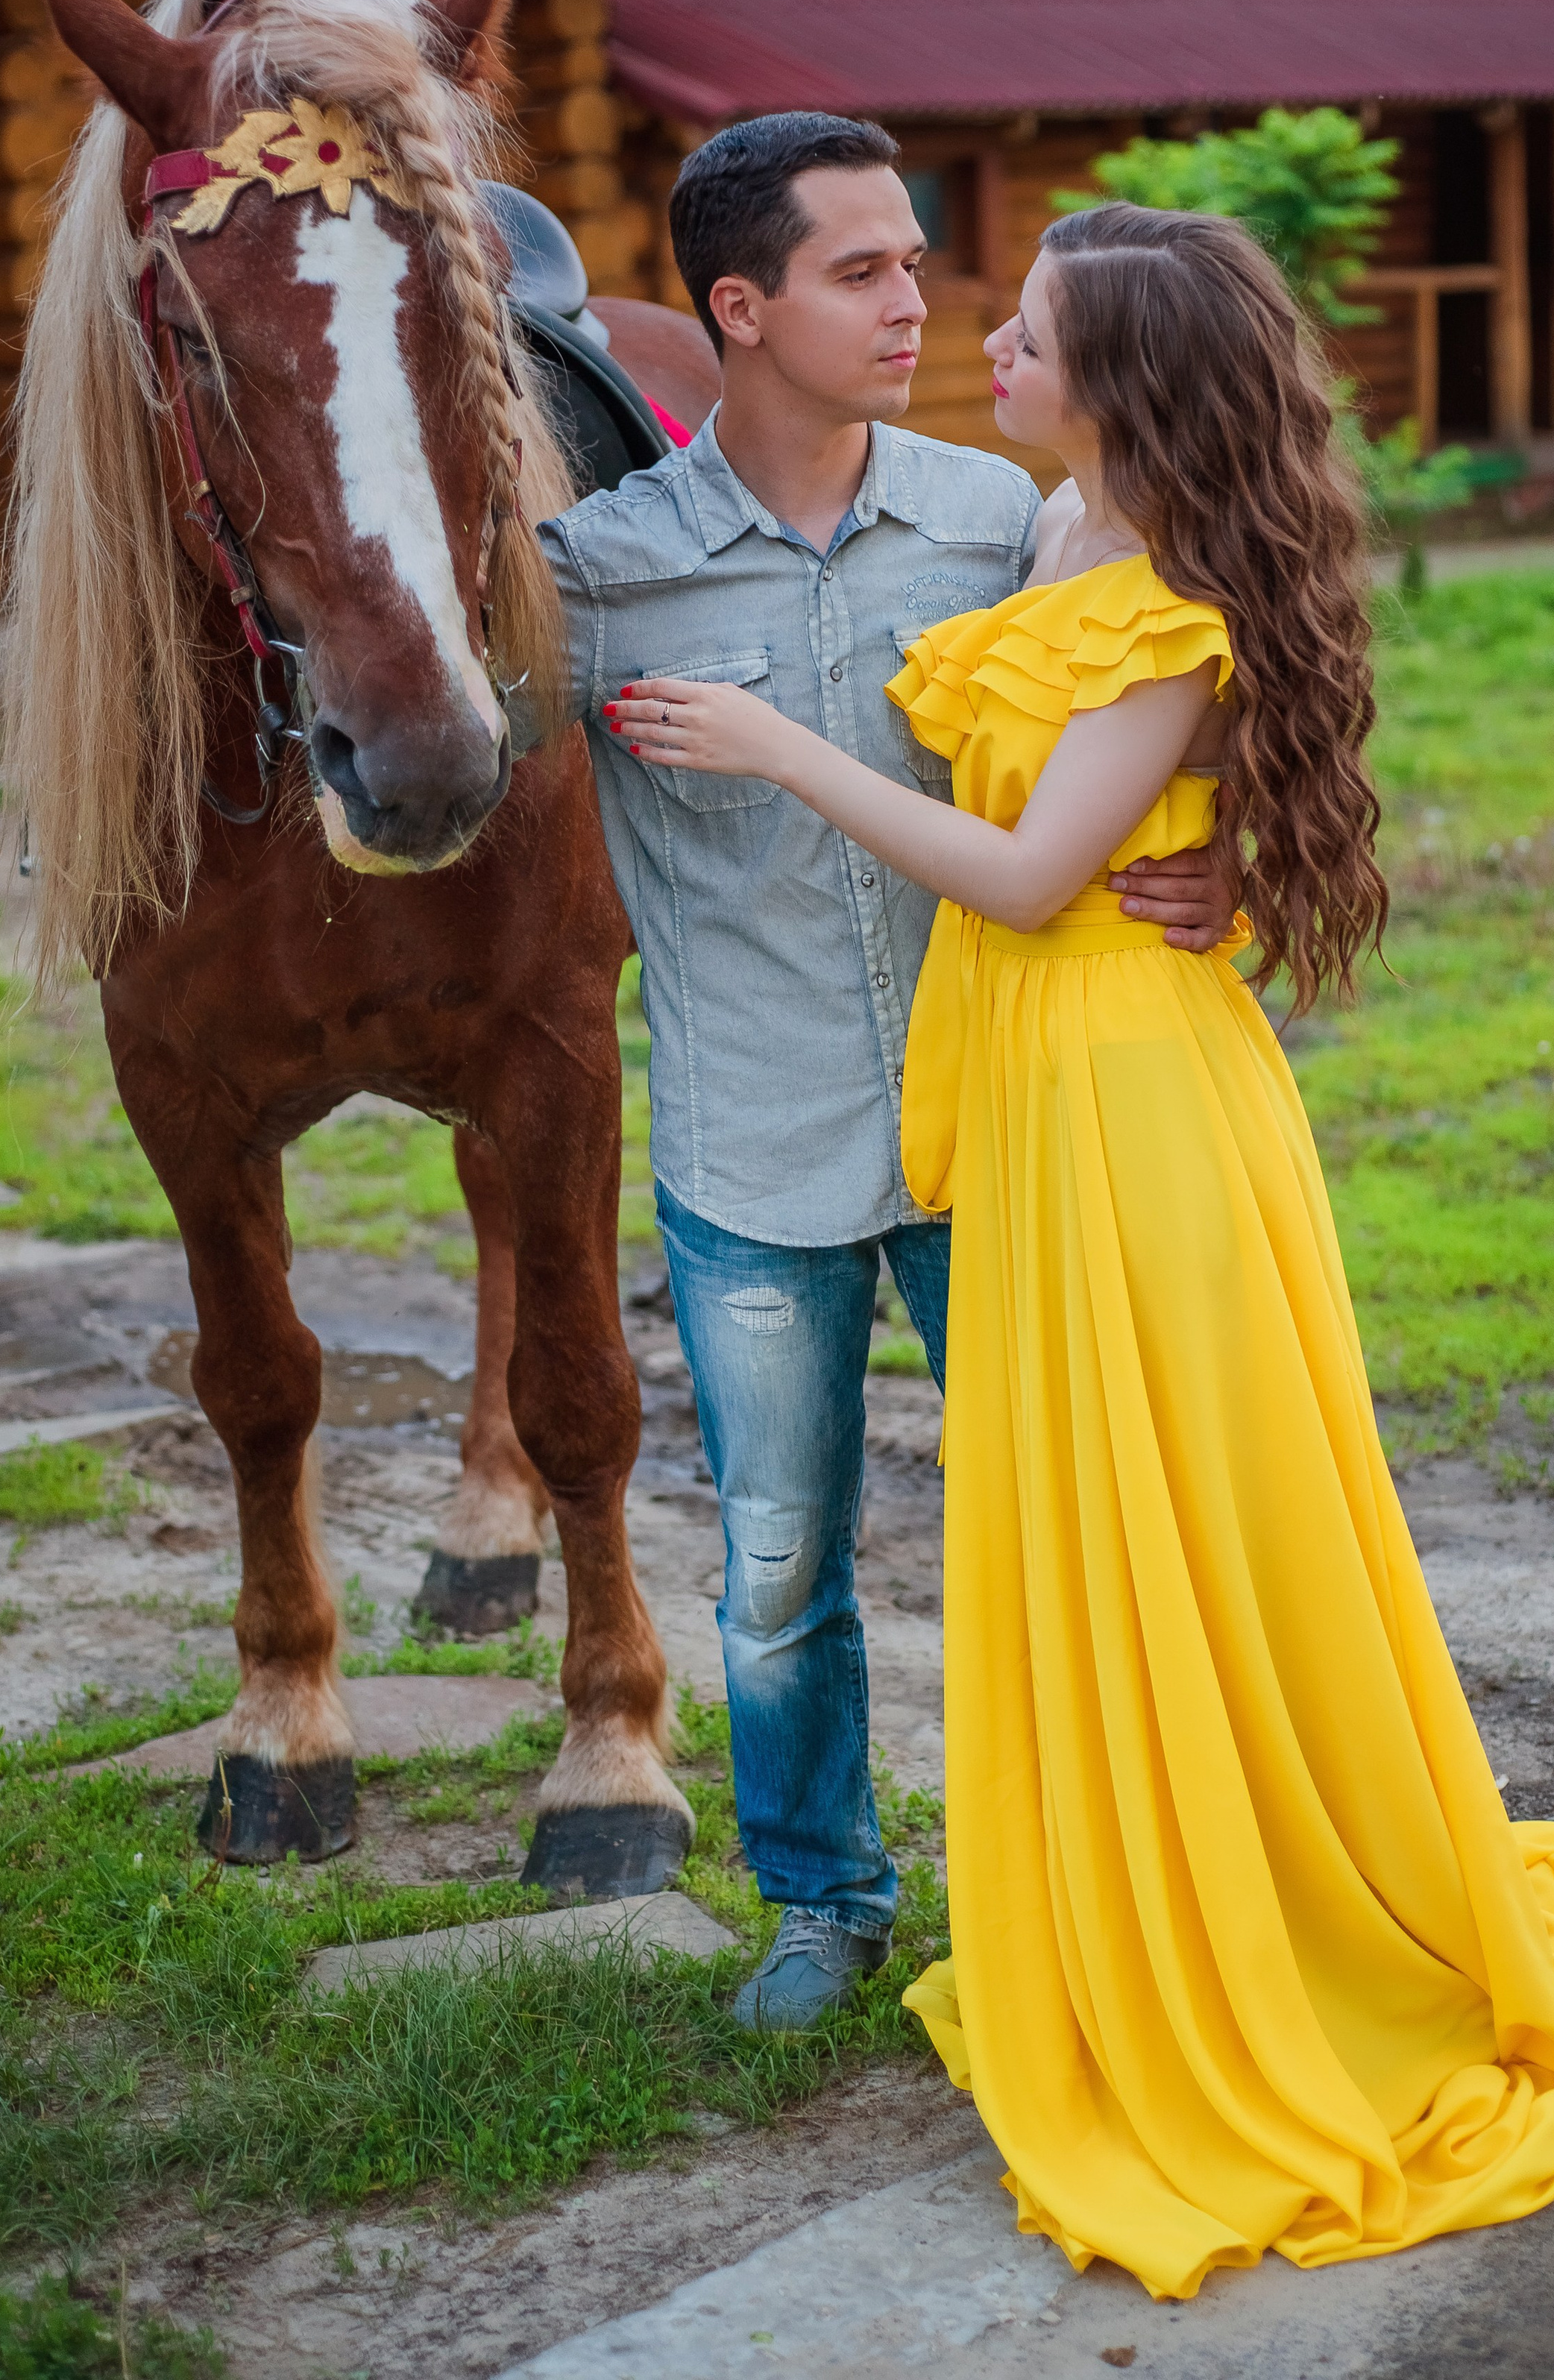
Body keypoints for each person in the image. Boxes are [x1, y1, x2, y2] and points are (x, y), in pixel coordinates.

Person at [604, 200, 1554, 2296]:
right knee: (1085, 1512)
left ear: (1127, 381)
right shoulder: (1047, 524)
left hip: (1126, 1099)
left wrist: (781, 748)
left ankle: (1241, 1905)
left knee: (1166, 1505)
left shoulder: (1162, 592)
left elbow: (1019, 872)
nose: (978, 343)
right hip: (1052, 1077)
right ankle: (1111, 1866)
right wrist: (1230, 856)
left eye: (1028, 329)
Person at [532, 117, 1236, 2032]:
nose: (914, 304)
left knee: (1067, 1534)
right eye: (862, 272)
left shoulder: (1000, 515)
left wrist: (1234, 835)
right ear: (739, 309)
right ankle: (825, 1902)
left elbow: (1197, 667)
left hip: (1011, 1136)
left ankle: (1093, 1891)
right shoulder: (595, 579)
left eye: (917, 263)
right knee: (778, 1576)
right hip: (755, 1153)